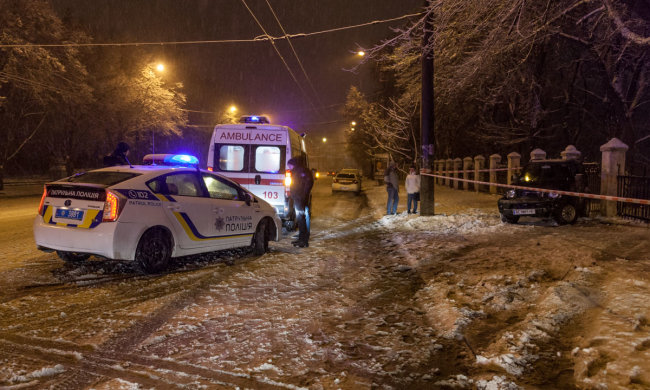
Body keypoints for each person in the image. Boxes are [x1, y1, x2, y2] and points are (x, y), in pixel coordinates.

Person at [287, 157, 314, 247]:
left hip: (300, 198)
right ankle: (301, 238)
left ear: (294, 164)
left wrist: (303, 194)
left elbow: (309, 182)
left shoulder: (300, 171)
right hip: (298, 197)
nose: (289, 167)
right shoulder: (298, 171)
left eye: (290, 165)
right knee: (300, 219)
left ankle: (303, 241)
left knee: (301, 219)